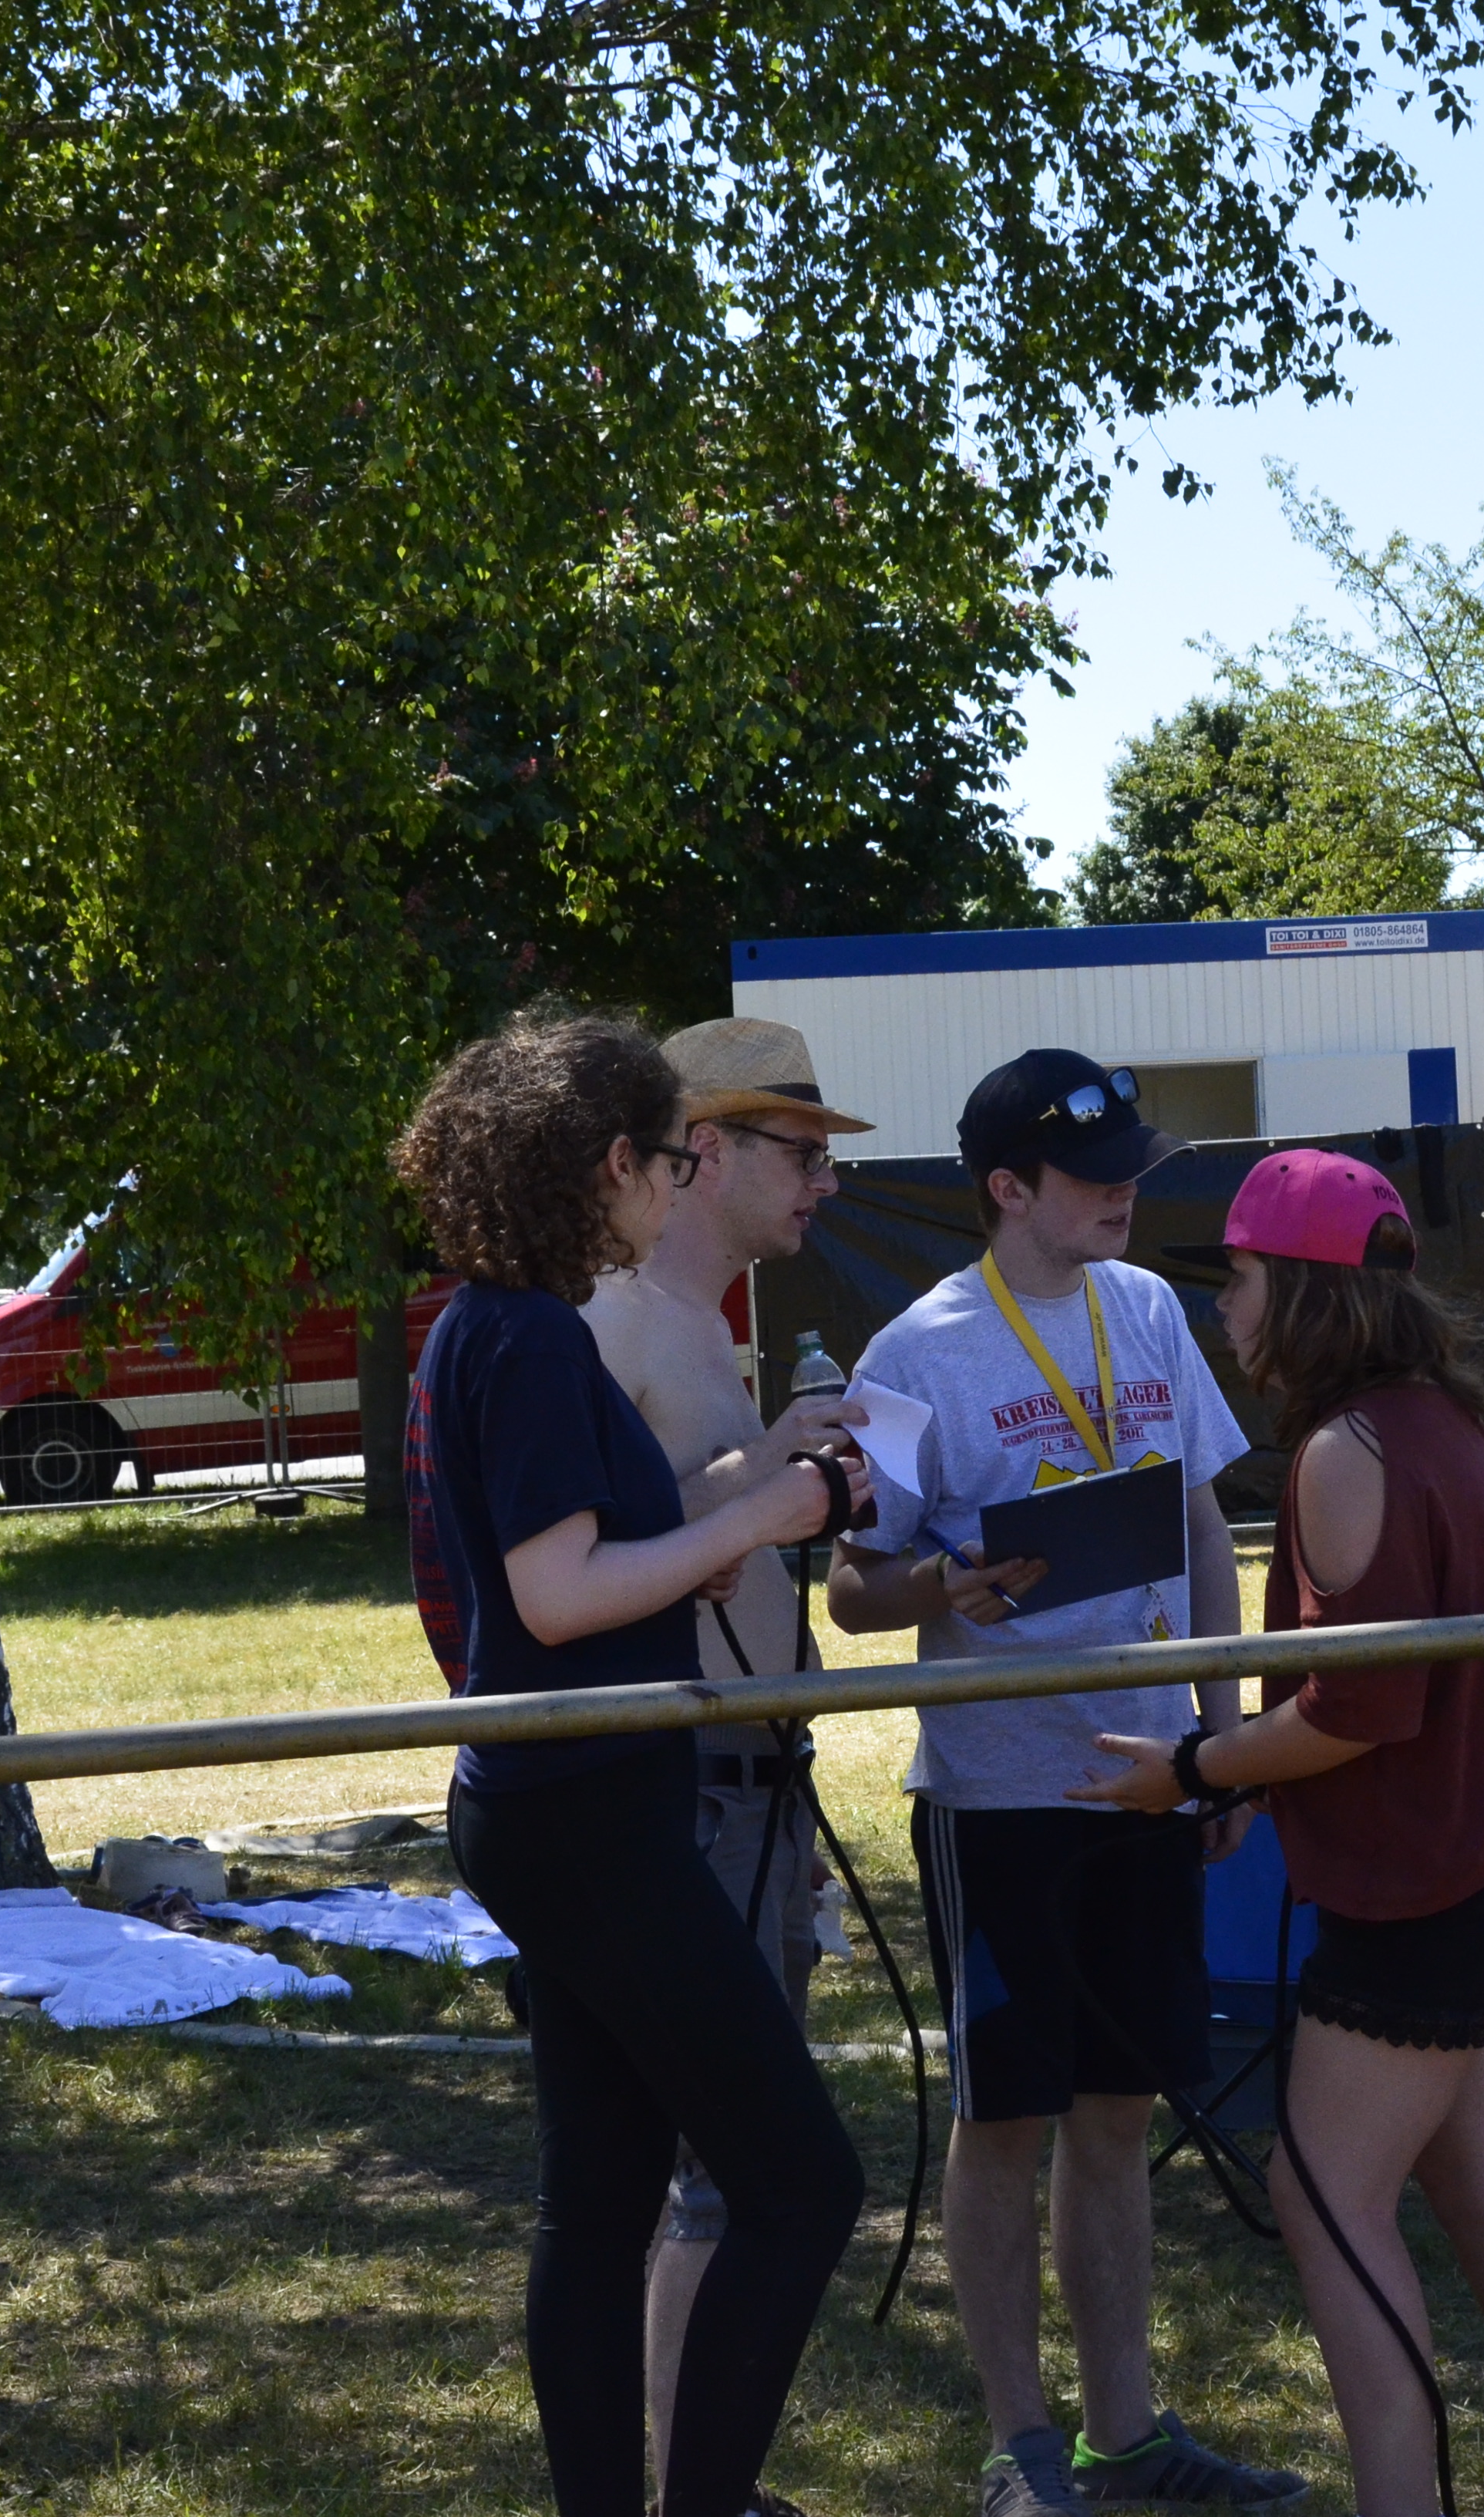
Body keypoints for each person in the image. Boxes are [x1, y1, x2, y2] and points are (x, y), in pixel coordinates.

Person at [1077, 1147, 1484, 2517]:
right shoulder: (1443, 1422)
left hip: (1441, 1879)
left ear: (1308, 1290)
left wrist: (1196, 1767)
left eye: (1240, 1278)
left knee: (1323, 2195)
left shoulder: (1351, 1450)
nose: (1225, 1308)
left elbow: (1359, 1710)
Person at [395, 1013, 870, 2517]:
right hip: (584, 1809)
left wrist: (722, 1525)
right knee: (801, 2182)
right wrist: (764, 1517)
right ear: (612, 1162)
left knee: (598, 2209)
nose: (678, 1189)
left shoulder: (492, 1319)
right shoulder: (534, 1334)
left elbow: (573, 1570)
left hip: (559, 1798)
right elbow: (555, 1594)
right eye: (672, 1162)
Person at [826, 1050, 1297, 2517]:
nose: (1122, 1196)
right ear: (1006, 1189)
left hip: (1145, 1776)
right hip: (1001, 1797)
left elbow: (1205, 1529)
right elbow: (851, 1590)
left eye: (1129, 1170)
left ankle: (1126, 2432)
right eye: (1091, 1178)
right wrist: (944, 1584)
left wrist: (1216, 1739)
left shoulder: (1146, 1306)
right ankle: (1020, 2448)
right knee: (1006, 2120)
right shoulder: (911, 1352)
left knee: (1117, 2112)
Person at [579, 1017, 876, 2479]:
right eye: (802, 1150)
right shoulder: (617, 1320)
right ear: (706, 1148)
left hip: (749, 1789)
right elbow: (593, 1555)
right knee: (723, 2177)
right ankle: (696, 2488)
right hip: (684, 1797)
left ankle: (705, 2482)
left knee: (723, 2176)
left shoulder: (705, 1325)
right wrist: (774, 1467)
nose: (824, 1180)